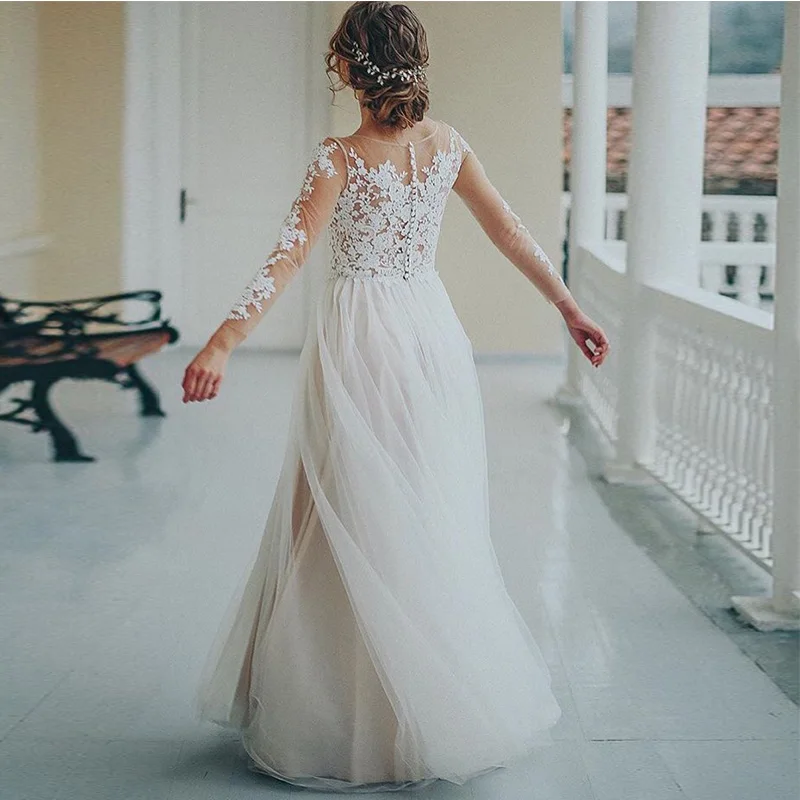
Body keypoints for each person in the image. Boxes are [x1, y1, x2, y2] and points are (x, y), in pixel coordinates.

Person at [182, 1, 609, 792]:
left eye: (339, 53)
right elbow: (511, 230)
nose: (333, 65)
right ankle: (414, 707)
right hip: (429, 334)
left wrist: (222, 342)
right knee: (414, 505)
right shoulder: (447, 146)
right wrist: (568, 306)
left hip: (362, 337)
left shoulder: (337, 157)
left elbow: (286, 259)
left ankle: (349, 720)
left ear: (356, 62)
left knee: (344, 508)